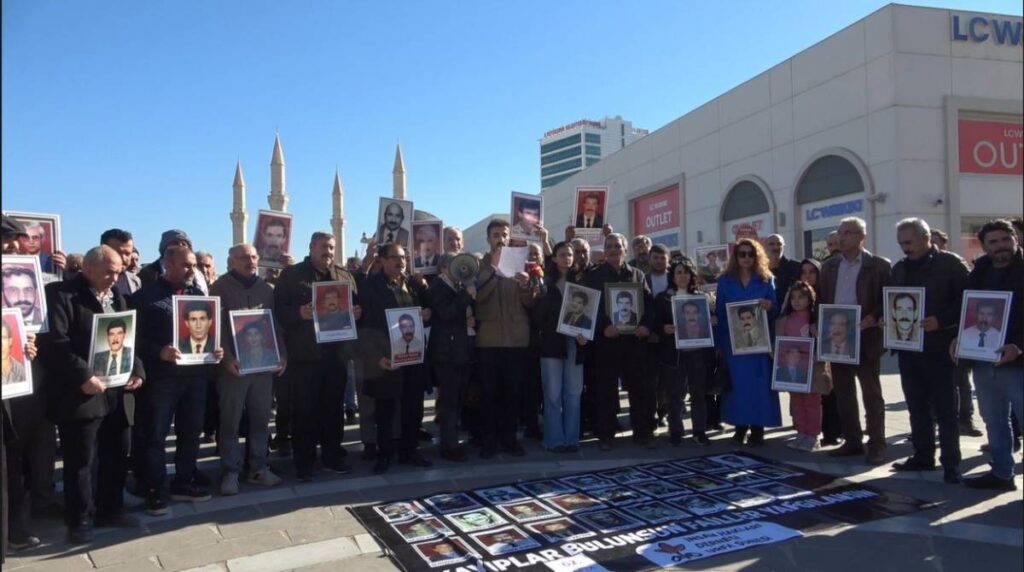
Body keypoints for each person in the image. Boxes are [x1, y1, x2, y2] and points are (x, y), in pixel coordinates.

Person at [45, 246, 144, 543]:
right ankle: (79, 519)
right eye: (109, 271)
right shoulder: (62, 295)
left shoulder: (118, 297)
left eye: (118, 272)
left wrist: (137, 369)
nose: (115, 278)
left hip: (116, 392)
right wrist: (83, 376)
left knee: (117, 452)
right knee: (81, 461)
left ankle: (110, 508)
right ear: (88, 268)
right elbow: (55, 343)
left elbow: (130, 337)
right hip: (82, 394)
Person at [134, 245, 223, 515]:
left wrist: (215, 349)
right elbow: (133, 339)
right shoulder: (145, 296)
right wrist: (158, 351)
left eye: (193, 265)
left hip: (195, 375)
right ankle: (154, 489)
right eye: (186, 265)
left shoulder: (198, 296)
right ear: (167, 264)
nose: (191, 270)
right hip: (162, 378)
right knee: (156, 436)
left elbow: (208, 331)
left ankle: (184, 481)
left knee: (190, 432)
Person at [274, 232, 360, 480]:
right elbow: (278, 311)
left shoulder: (344, 276)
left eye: (332, 248)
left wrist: (356, 311)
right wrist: (297, 313)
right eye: (324, 247)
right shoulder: (292, 275)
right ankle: (305, 463)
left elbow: (356, 308)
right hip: (305, 357)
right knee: (305, 412)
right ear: (311, 247)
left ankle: (332, 456)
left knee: (333, 410)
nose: (329, 252)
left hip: (336, 356)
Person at [888, 218, 968, 484]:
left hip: (940, 348)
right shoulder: (899, 268)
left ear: (926, 238)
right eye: (901, 244)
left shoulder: (951, 264)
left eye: (908, 243)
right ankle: (923, 455)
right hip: (908, 349)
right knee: (916, 406)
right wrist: (883, 318)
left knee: (946, 408)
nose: (905, 249)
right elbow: (889, 300)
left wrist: (942, 321)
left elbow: (968, 300)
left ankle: (951, 464)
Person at [210, 243, 286, 495]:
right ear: (231, 261)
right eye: (243, 257)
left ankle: (258, 467)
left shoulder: (266, 288)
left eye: (253, 256)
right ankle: (230, 471)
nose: (250, 261)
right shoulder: (219, 288)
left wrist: (281, 354)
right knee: (230, 421)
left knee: (261, 419)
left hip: (263, 365)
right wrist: (226, 358)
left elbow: (274, 323)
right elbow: (215, 326)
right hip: (235, 367)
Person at [954, 220, 1023, 491]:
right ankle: (1002, 473)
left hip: (1018, 362)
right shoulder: (979, 271)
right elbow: (967, 310)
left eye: (1006, 239)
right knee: (994, 420)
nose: (1001, 246)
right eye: (993, 242)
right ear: (984, 246)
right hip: (984, 359)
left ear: (1015, 239)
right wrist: (959, 337)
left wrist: (1018, 346)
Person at [818, 216, 891, 465]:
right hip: (837, 336)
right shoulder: (828, 267)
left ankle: (877, 445)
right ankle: (852, 440)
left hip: (866, 335)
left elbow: (887, 299)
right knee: (843, 393)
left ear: (862, 237)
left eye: (848, 232)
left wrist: (874, 316)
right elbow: (821, 300)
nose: (842, 236)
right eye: (840, 232)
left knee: (871, 394)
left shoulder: (879, 266)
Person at [359, 243, 431, 474]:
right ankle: (385, 454)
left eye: (403, 258)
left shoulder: (413, 284)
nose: (400, 262)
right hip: (387, 358)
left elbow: (423, 316)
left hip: (412, 355)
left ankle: (410, 450)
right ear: (381, 260)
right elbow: (365, 327)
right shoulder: (371, 287)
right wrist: (377, 358)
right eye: (394, 258)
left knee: (413, 407)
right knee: (386, 410)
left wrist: (426, 315)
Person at [475, 219, 541, 457]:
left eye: (504, 234)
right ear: (488, 238)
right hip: (489, 340)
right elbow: (478, 299)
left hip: (515, 339)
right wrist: (494, 272)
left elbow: (530, 303)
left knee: (512, 393)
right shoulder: (479, 266)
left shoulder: (519, 263)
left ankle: (510, 439)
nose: (500, 238)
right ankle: (489, 442)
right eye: (495, 234)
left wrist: (525, 285)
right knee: (490, 393)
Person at [585, 233, 655, 450]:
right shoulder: (594, 276)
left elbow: (649, 305)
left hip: (634, 342)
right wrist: (603, 327)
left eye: (618, 246)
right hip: (607, 343)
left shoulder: (637, 275)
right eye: (610, 246)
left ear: (626, 250)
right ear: (604, 251)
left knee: (638, 389)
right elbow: (590, 307)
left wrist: (646, 326)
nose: (614, 249)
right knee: (605, 390)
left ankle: (642, 432)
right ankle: (606, 436)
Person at [713, 238, 780, 446]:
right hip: (734, 343)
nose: (746, 258)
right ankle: (740, 427)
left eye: (750, 254)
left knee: (759, 386)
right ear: (735, 256)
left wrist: (769, 306)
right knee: (738, 386)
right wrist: (719, 345)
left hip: (759, 342)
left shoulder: (766, 279)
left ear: (757, 256)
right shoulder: (725, 281)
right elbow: (720, 313)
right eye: (742, 254)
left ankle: (758, 428)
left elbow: (776, 308)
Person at [533, 241, 587, 453]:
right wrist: (541, 295)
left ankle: (572, 439)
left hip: (575, 343)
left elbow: (588, 314)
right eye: (562, 254)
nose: (567, 258)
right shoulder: (545, 284)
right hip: (551, 344)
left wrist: (586, 336)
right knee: (553, 395)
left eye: (570, 254)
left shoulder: (582, 283)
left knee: (573, 393)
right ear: (554, 258)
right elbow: (537, 318)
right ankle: (554, 440)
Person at [655, 258, 713, 445]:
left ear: (691, 275)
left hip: (697, 353)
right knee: (674, 395)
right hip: (673, 354)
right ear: (672, 275)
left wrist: (712, 321)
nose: (682, 276)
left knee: (698, 392)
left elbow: (709, 321)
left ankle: (699, 430)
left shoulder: (701, 298)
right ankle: (676, 430)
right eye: (678, 272)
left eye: (686, 272)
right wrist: (664, 328)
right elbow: (654, 323)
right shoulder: (663, 298)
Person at [425, 253, 476, 462]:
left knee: (455, 401)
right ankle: (449, 446)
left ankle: (452, 442)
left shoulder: (457, 286)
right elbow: (446, 313)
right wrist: (466, 297)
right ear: (444, 267)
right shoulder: (438, 286)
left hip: (459, 352)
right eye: (455, 267)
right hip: (446, 354)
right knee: (449, 402)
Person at [776, 281, 832, 451]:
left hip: (813, 367)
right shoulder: (786, 319)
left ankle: (813, 435)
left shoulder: (815, 319)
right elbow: (781, 343)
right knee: (797, 402)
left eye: (801, 297)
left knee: (812, 402)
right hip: (794, 368)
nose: (797, 301)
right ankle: (801, 432)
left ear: (810, 298)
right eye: (793, 298)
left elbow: (825, 342)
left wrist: (817, 336)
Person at [799, 258, 842, 446]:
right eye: (804, 272)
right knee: (812, 396)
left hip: (827, 352)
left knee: (829, 392)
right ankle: (809, 430)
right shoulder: (798, 296)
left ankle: (833, 432)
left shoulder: (827, 295)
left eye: (812, 271)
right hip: (805, 354)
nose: (808, 276)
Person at [137, 229, 209, 294]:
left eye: (184, 244)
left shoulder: (197, 279)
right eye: (175, 243)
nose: (180, 246)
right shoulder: (148, 272)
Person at [763, 234, 802, 309]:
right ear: (764, 248)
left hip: (791, 316)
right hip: (767, 316)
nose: (776, 247)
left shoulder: (796, 267)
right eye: (771, 244)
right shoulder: (759, 270)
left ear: (783, 247)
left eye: (779, 244)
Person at [100, 229, 141, 297]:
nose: (123, 258)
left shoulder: (135, 280)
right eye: (117, 253)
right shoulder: (89, 281)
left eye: (127, 253)